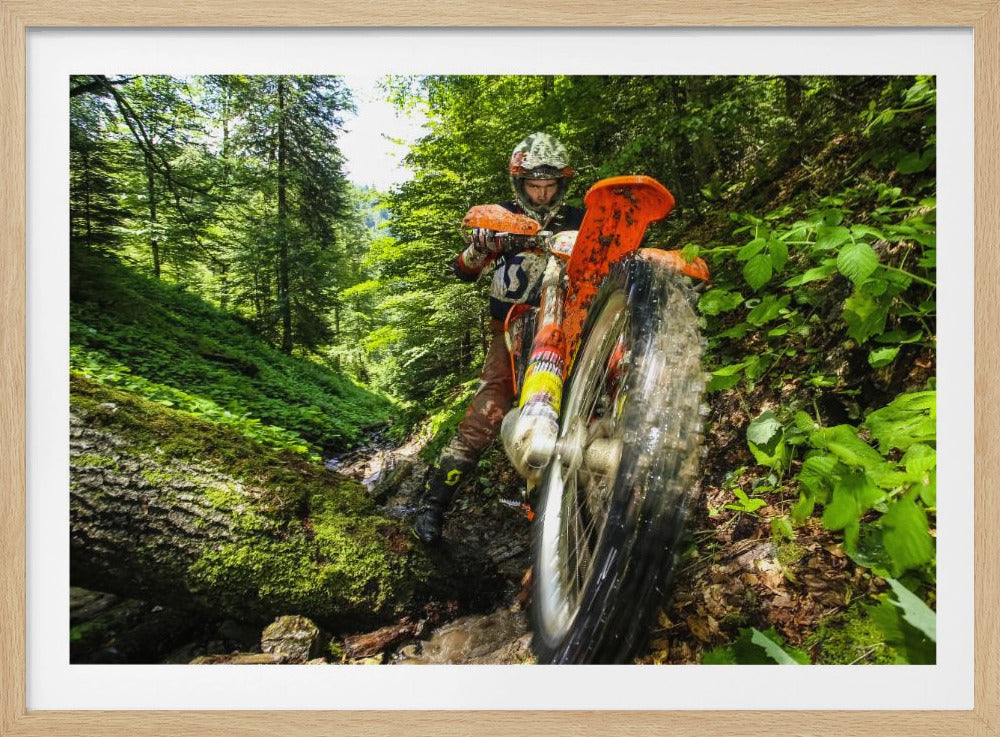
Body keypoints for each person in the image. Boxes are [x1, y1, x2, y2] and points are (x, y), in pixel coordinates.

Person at [413, 133, 585, 544]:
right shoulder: (501, 218)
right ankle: (433, 504)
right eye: (533, 186)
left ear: (561, 184)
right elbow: (463, 270)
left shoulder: (580, 219)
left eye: (549, 186)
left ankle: (562, 518)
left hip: (568, 325)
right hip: (509, 329)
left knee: (575, 409)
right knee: (487, 412)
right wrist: (480, 247)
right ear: (519, 184)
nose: (542, 195)